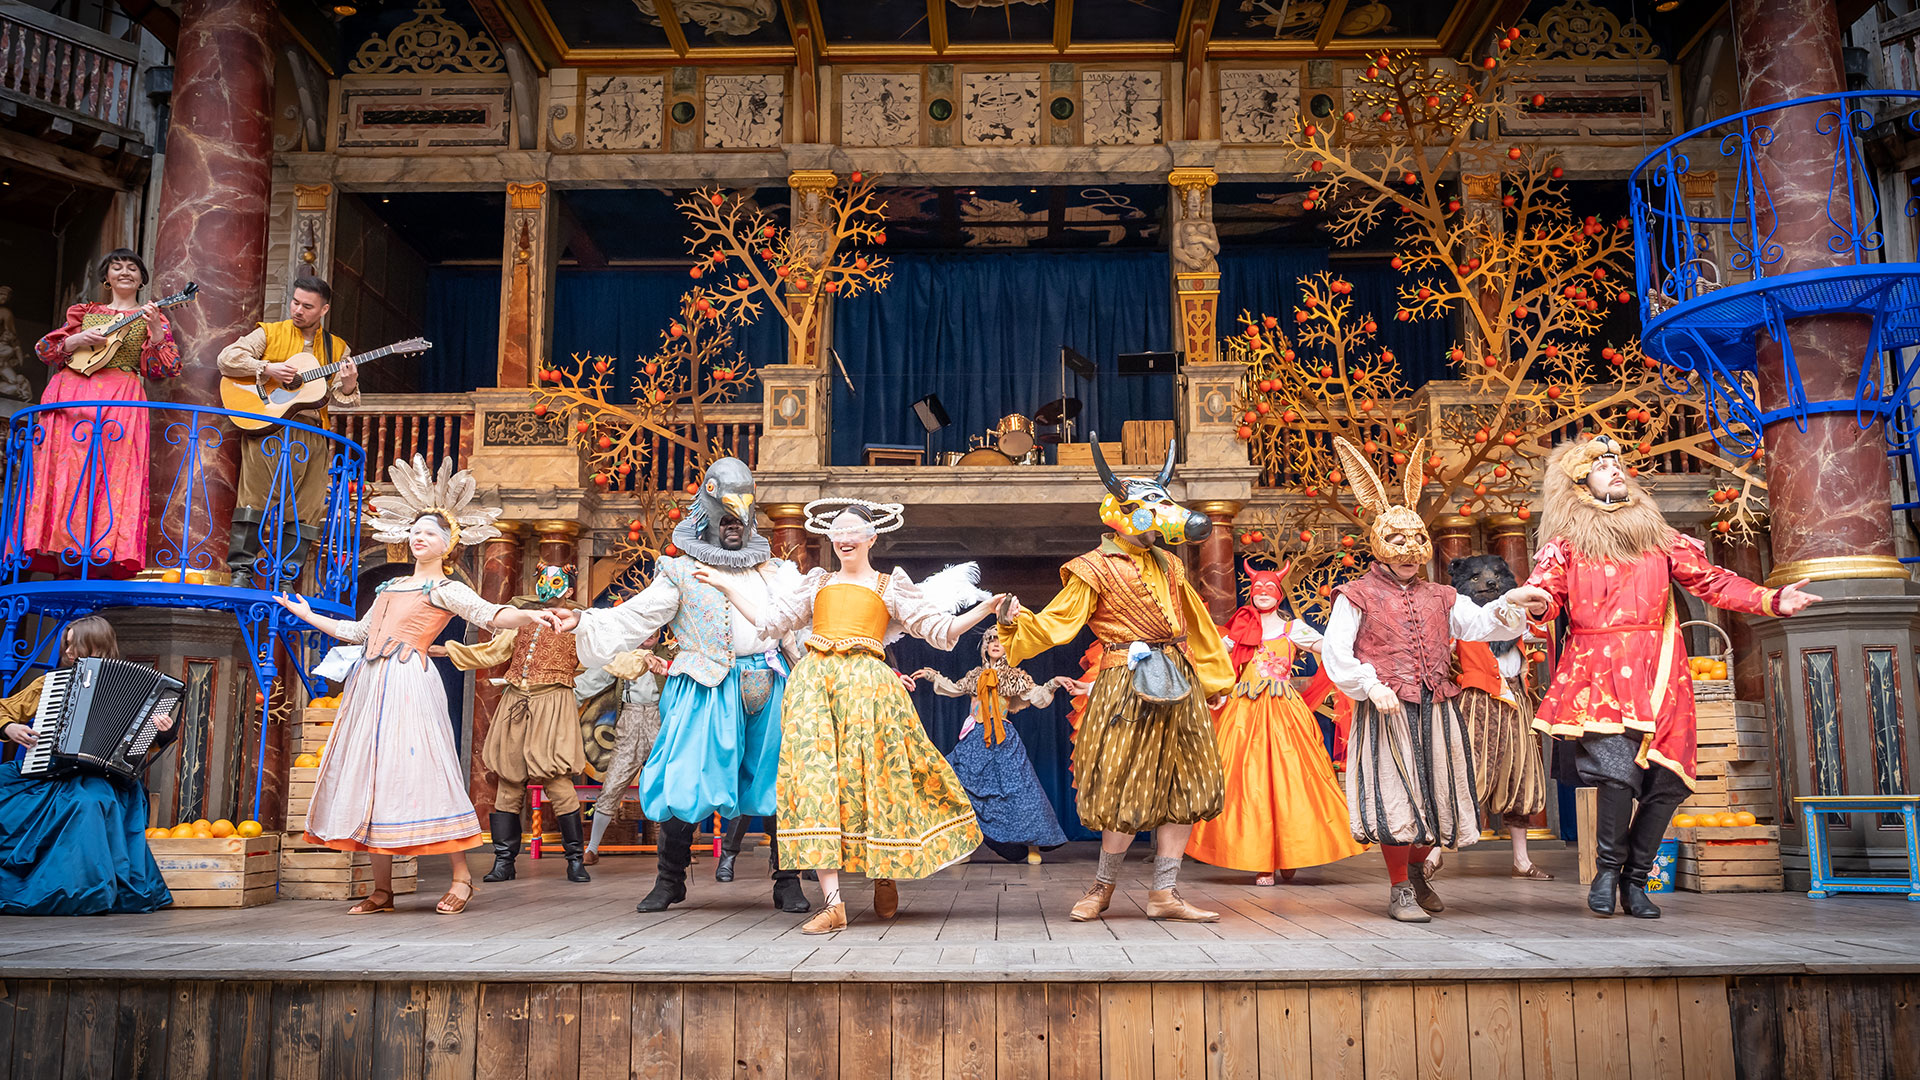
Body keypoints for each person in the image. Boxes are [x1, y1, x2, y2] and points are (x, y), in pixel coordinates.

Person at [1508, 435, 1820, 919]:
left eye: (1617, 462)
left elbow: (1712, 581)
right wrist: (1533, 604)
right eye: (1601, 464)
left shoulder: (1660, 538)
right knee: (1616, 773)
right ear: (1578, 481)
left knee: (1667, 782)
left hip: (1660, 674)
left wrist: (1772, 599)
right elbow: (1546, 595)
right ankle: (1608, 870)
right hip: (1598, 671)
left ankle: (1637, 879)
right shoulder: (1565, 546)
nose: (1615, 469)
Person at [273, 455, 563, 916]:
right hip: (370, 686)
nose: (417, 537)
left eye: (428, 532)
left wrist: (529, 614)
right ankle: (382, 889)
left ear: (447, 544)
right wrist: (307, 615)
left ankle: (463, 877)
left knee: (425, 773)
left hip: (409, 682)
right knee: (372, 776)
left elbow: (491, 614)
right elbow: (360, 633)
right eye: (414, 531)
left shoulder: (444, 589)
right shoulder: (390, 588)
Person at [701, 499, 999, 934]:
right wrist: (727, 589)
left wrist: (987, 609)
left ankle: (885, 873)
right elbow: (769, 622)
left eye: (852, 531)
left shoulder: (888, 586)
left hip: (869, 686)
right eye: (836, 531)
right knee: (816, 783)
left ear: (871, 537)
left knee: (877, 780)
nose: (843, 537)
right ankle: (834, 904)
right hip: (815, 686)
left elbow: (941, 630)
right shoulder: (816, 582)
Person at [552, 458, 810, 914]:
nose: (735, 526)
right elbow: (634, 617)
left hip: (771, 685)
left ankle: (787, 882)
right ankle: (670, 880)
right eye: (726, 517)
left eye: (742, 516)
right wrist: (584, 618)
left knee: (778, 783)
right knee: (683, 782)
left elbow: (798, 635)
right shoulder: (679, 573)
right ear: (707, 513)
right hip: (705, 687)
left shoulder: (777, 574)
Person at [998, 439, 1232, 924]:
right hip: (1126, 684)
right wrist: (1012, 628)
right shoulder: (1092, 567)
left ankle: (1164, 894)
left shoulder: (1169, 563)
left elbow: (1196, 624)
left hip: (1179, 681)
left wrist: (1214, 678)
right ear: (1121, 515)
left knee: (1184, 784)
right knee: (1123, 784)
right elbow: (1056, 624)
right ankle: (1102, 887)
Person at [1317, 437, 1532, 923]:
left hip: (1437, 707)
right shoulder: (1356, 595)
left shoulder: (1441, 595)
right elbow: (1336, 651)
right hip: (1388, 709)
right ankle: (1398, 888)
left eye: (1416, 541)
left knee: (1436, 795)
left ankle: (1416, 875)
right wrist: (1369, 685)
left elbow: (1481, 625)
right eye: (1398, 541)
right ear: (1378, 542)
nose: (1410, 552)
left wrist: (1515, 604)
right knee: (1398, 799)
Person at [1186, 562, 1369, 885]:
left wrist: (1356, 646)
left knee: (1295, 780)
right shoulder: (1239, 631)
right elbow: (1213, 657)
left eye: (1269, 589)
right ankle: (1262, 859)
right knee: (1248, 782)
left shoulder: (1293, 628)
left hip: (1284, 711)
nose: (1263, 595)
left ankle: (1290, 851)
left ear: (1279, 594)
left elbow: (1327, 648)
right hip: (1244, 712)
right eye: (1258, 590)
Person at [0, 616, 178, 915]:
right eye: (66, 646)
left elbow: (151, 743)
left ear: (97, 646)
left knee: (88, 801)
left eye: (75, 646)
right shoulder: (51, 683)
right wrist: (9, 728)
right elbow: (4, 709)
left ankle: (81, 893)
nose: (68, 653)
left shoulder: (140, 688)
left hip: (104, 778)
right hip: (51, 771)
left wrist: (164, 729)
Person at [26, 250, 181, 577]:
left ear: (142, 278)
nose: (125, 272)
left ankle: (99, 556)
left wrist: (154, 331)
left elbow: (165, 367)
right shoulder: (85, 312)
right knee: (68, 471)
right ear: (106, 277)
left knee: (109, 476)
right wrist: (77, 338)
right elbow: (44, 350)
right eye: (117, 266)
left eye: (133, 268)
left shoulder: (151, 315)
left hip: (119, 398)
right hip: (71, 394)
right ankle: (62, 553)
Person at [443, 563, 591, 885]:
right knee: (509, 780)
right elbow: (491, 652)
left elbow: (607, 654)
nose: (545, 586)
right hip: (515, 702)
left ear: (568, 590)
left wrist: (644, 660)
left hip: (552, 703)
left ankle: (575, 861)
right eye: (541, 579)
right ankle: (504, 861)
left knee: (558, 781)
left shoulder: (581, 624)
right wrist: (448, 650)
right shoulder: (523, 619)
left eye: (554, 581)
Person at [217, 275, 358, 588]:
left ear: (324, 310)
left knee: (305, 507)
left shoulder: (337, 347)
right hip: (268, 426)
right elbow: (226, 359)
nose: (298, 310)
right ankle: (241, 571)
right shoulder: (268, 333)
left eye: (307, 306)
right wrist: (267, 369)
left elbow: (343, 398)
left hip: (312, 433)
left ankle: (286, 577)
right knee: (254, 497)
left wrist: (348, 383)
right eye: (295, 302)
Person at [912, 633, 1074, 865]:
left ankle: (1031, 844)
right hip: (975, 738)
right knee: (957, 785)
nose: (996, 644)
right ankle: (965, 847)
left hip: (1003, 738)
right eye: (991, 641)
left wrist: (1053, 683)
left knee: (1020, 791)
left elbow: (1037, 696)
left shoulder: (1014, 676)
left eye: (1001, 641)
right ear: (984, 647)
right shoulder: (975, 676)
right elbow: (953, 688)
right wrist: (932, 675)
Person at [1447, 554, 1552, 880]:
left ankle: (1521, 860)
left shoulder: (1513, 616)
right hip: (1476, 702)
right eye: (1478, 578)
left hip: (1515, 700)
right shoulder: (1460, 617)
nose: (1489, 583)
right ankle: (1435, 852)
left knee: (1520, 777)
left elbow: (1541, 628)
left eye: (1495, 577)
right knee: (1464, 774)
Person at [573, 636, 671, 865]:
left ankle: (675, 849)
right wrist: (563, 698)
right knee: (613, 784)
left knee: (666, 786)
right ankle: (593, 848)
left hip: (661, 719)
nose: (649, 635)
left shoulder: (670, 653)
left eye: (654, 630)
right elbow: (592, 680)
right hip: (629, 717)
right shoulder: (622, 655)